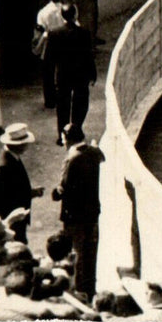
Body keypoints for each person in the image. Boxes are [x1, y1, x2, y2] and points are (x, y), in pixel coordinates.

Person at [51, 128, 105, 300]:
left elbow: (63, 187)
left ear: (67, 139)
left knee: (76, 253)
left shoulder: (71, 158)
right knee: (90, 251)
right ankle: (90, 289)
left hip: (74, 215)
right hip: (92, 212)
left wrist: (55, 193)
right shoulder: (95, 152)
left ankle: (80, 291)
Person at [45, 4, 97, 146]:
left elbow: (50, 59)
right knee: (80, 103)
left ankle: (62, 135)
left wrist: (49, 79)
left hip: (63, 75)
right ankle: (76, 130)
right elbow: (89, 56)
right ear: (75, 15)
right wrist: (93, 73)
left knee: (63, 105)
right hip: (80, 74)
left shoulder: (54, 33)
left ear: (62, 17)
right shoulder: (84, 33)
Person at [0, 123, 43, 243]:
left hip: (15, 215)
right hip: (11, 217)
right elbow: (7, 197)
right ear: (17, 145)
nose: (27, 146)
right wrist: (30, 193)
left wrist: (31, 192)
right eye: (25, 143)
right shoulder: (4, 166)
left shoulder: (7, 155)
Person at [34, 0, 65, 114]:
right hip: (64, 43)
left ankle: (50, 101)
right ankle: (63, 96)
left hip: (49, 43)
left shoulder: (43, 12)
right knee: (63, 70)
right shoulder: (66, 9)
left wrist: (36, 44)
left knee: (48, 73)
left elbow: (39, 31)